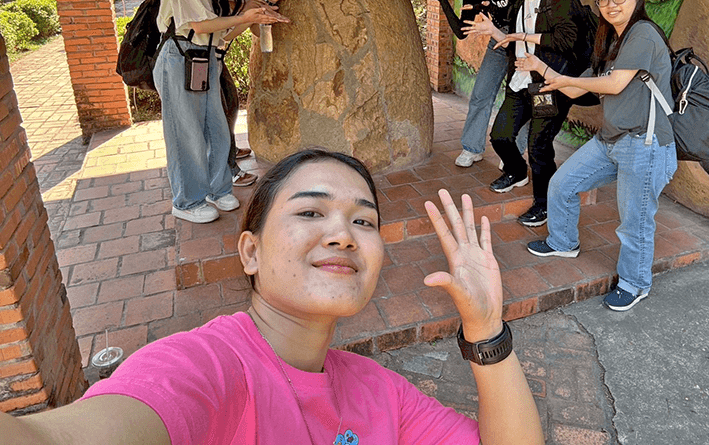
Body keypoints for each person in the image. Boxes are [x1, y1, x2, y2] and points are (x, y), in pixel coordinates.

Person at [4, 149, 545, 445]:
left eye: (363, 221)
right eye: (310, 211)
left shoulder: (381, 392)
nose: (343, 234)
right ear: (251, 252)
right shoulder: (203, 368)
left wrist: (486, 329)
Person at [522, 0, 678, 312]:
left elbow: (614, 84)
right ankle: (563, 242)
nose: (611, 4)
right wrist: (542, 70)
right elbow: (576, 88)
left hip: (645, 144)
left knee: (635, 221)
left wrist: (567, 80)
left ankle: (635, 283)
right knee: (562, 184)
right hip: (610, 140)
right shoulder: (611, 41)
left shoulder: (643, 34)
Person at [153, 0, 287, 224]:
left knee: (217, 128)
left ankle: (217, 188)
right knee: (186, 133)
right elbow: (200, 25)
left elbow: (224, 32)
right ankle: (187, 201)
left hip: (207, 59)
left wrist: (259, 13)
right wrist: (245, 15)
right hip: (181, 57)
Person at [464, 0, 592, 228]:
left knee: (539, 146)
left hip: (549, 83)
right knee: (500, 135)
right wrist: (494, 31)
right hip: (520, 80)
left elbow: (567, 39)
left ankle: (544, 204)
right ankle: (516, 171)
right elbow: (512, 40)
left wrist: (523, 36)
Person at [419, 0, 527, 168]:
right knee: (480, 94)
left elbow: (522, 3)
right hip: (498, 40)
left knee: (519, 96)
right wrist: (443, 1)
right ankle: (472, 147)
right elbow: (461, 30)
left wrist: (489, 7)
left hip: (524, 38)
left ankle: (514, 153)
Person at [221, 0, 293, 189]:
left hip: (217, 51)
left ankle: (228, 152)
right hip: (199, 48)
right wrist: (249, 8)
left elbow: (253, 27)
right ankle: (228, 169)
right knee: (219, 112)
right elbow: (225, 13)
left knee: (229, 104)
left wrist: (269, 1)